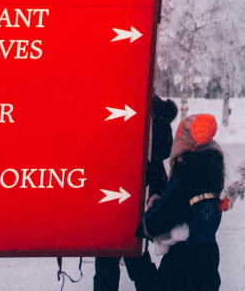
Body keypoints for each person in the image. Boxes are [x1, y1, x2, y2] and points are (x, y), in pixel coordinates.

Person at [93, 96, 179, 291]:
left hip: (139, 193)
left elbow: (163, 150)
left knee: (133, 257)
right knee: (113, 259)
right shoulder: (112, 101)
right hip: (114, 192)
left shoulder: (153, 106)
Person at [142, 113, 226, 291]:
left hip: (181, 267)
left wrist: (153, 204)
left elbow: (155, 223)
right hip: (208, 260)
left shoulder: (185, 176)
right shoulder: (212, 172)